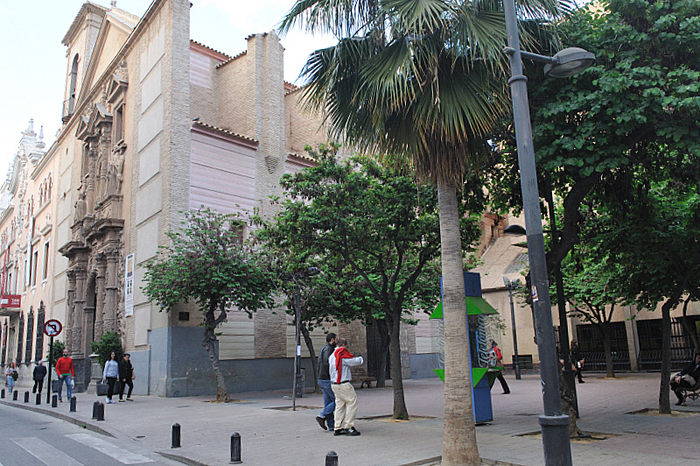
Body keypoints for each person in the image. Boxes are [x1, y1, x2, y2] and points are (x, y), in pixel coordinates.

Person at [328, 338, 363, 436]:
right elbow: (354, 361)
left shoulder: (332, 355)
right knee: (352, 401)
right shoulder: (341, 354)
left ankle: (337, 427)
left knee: (340, 405)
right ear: (343, 345)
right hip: (343, 383)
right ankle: (349, 426)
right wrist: (360, 358)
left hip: (334, 384)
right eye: (347, 345)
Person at [315, 332, 337, 431]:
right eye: (336, 339)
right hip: (327, 378)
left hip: (321, 378)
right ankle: (322, 415)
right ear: (332, 340)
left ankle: (331, 425)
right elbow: (328, 363)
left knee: (328, 402)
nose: (337, 341)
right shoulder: (329, 349)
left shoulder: (323, 348)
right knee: (338, 400)